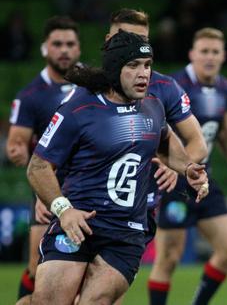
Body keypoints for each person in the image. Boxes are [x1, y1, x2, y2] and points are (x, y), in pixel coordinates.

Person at [26, 30, 210, 305]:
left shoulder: (153, 107)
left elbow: (165, 142)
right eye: (133, 65)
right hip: (79, 223)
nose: (143, 74)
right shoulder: (78, 110)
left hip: (127, 233)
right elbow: (38, 167)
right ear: (115, 69)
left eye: (147, 66)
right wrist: (63, 210)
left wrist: (188, 168)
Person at [148, 27, 227, 305]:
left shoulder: (223, 88)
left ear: (223, 56)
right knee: (168, 258)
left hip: (204, 178)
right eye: (204, 51)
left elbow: (223, 129)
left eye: (215, 52)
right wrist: (170, 162)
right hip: (174, 181)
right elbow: (159, 128)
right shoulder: (175, 86)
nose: (209, 57)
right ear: (192, 54)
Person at [6, 16, 80, 305]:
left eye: (70, 44)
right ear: (44, 49)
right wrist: (17, 151)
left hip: (90, 186)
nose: (64, 50)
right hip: (48, 191)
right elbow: (17, 143)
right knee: (39, 269)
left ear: (78, 48)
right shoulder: (31, 96)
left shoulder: (93, 85)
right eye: (57, 44)